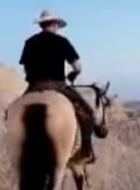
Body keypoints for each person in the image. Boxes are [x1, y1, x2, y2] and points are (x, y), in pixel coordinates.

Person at [18, 10, 97, 163]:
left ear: (42, 25)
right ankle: (86, 152)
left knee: (12, 112)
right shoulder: (62, 42)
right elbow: (78, 67)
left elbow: (26, 67)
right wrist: (73, 74)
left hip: (34, 87)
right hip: (57, 86)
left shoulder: (29, 42)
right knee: (87, 112)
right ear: (54, 25)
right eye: (57, 25)